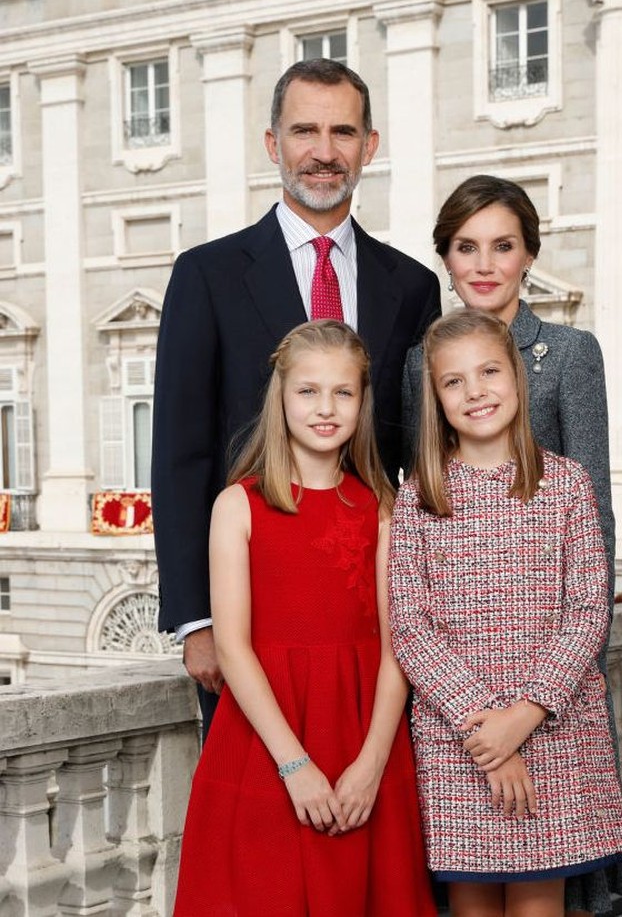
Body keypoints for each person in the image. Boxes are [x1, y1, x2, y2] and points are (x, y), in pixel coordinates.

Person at [152, 58, 441, 735]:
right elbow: (180, 453)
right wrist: (196, 618)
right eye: (304, 130)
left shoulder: (412, 285)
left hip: (372, 613)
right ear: (273, 143)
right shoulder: (206, 275)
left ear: (369, 146)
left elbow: (424, 454)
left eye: (343, 132)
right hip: (250, 612)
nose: (323, 151)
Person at [402, 175, 622, 914]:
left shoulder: (568, 355)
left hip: (553, 690)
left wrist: (550, 695)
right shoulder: (419, 367)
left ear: (529, 253)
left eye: (502, 245)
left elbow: (592, 538)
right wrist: (480, 722)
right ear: (445, 257)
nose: (484, 263)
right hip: (458, 713)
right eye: (465, 246)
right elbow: (412, 604)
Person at [172, 320, 437, 917]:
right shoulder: (237, 505)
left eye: (343, 392)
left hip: (362, 734)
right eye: (308, 391)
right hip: (266, 740)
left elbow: (399, 649)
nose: (325, 408)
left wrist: (371, 765)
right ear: (282, 397)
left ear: (363, 402)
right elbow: (233, 649)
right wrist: (294, 766)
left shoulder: (382, 508)